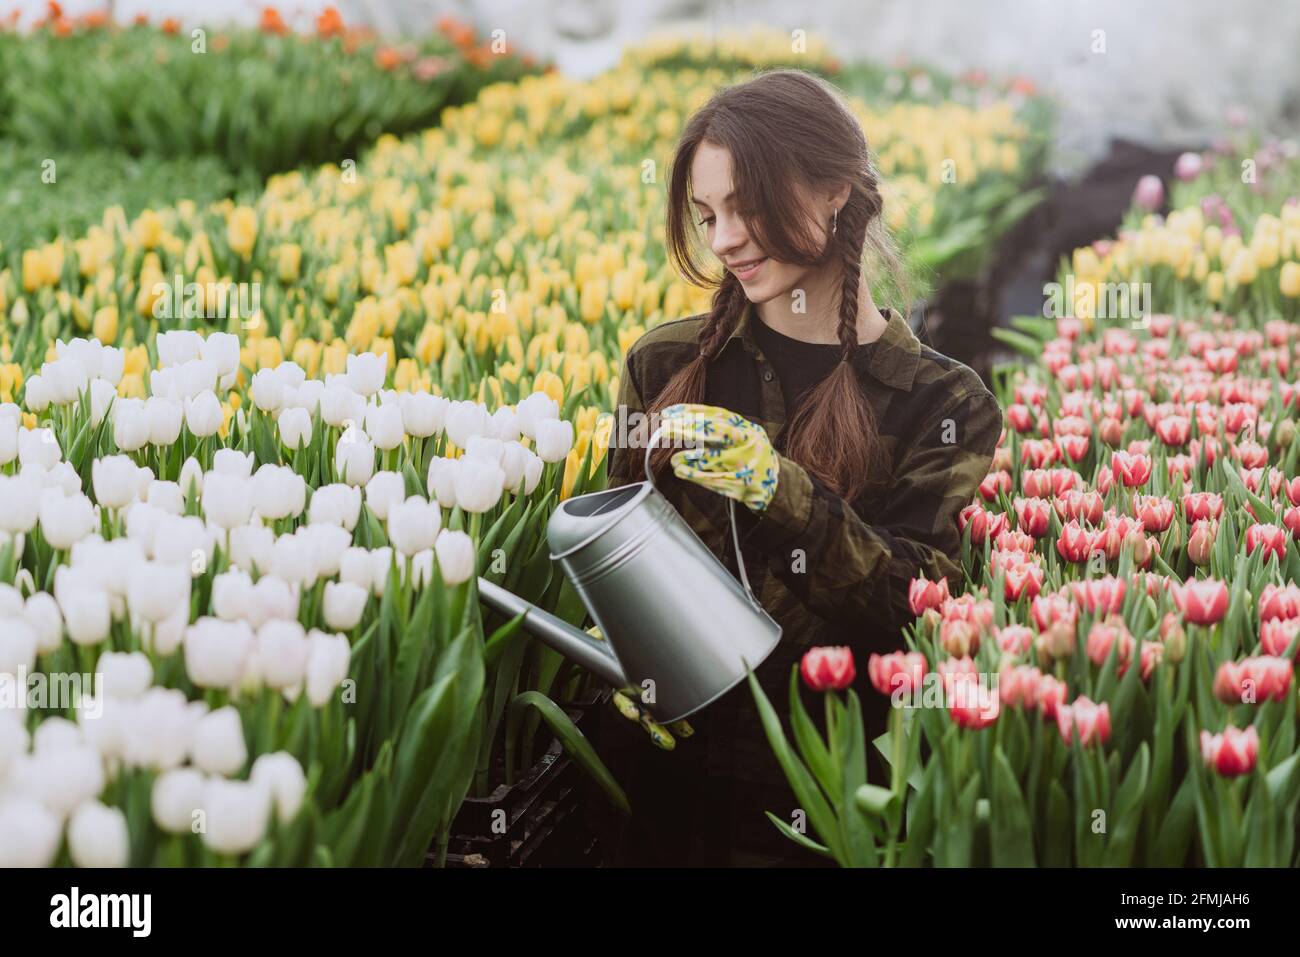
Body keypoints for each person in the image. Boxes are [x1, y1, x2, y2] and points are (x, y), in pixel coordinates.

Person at [591, 69, 1003, 867]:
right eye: (707, 215)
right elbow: (620, 553)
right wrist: (620, 655)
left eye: (745, 206)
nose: (723, 240)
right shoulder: (664, 364)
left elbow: (915, 602)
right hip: (666, 790)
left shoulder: (941, 401)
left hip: (830, 796)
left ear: (835, 190)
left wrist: (780, 490)